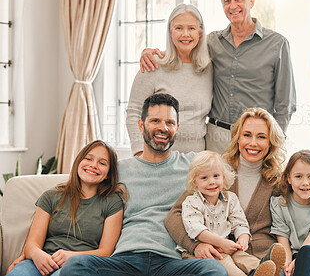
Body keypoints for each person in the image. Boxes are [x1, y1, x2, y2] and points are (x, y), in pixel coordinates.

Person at [59, 93, 227, 276]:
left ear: (177, 128)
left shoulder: (194, 166)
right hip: (124, 261)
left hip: (172, 262)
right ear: (141, 125)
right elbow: (83, 188)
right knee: (75, 265)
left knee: (214, 269)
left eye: (169, 123)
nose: (163, 128)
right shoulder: (118, 170)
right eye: (155, 120)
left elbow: (228, 173)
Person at [165, 108, 310, 276]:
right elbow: (175, 215)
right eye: (247, 135)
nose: (253, 143)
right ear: (237, 138)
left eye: (261, 137)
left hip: (267, 258)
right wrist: (195, 245)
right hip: (225, 255)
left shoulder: (278, 179)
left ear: (270, 142)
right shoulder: (216, 174)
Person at [140, 0, 296, 154]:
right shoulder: (212, 42)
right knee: (215, 182)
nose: (232, 6)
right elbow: (185, 45)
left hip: (257, 138)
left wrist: (275, 142)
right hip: (216, 138)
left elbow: (286, 104)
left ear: (251, 2)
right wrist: (151, 52)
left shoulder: (277, 44)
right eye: (227, 1)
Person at [6, 140, 126, 276]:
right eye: (88, 158)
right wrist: (36, 254)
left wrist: (71, 256)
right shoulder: (51, 196)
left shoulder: (112, 202)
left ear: (109, 174)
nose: (93, 165)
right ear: (79, 162)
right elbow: (32, 243)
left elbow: (106, 252)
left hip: (78, 265)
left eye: (102, 163)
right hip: (42, 261)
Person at [126, 3, 212, 156]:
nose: (185, 34)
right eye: (179, 28)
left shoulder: (208, 68)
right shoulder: (153, 64)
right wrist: (139, 151)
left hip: (196, 160)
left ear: (200, 32)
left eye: (191, 28)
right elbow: (134, 112)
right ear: (170, 32)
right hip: (157, 157)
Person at [181, 150, 276, 276]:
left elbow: (239, 222)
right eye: (204, 178)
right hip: (203, 251)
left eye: (216, 176)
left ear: (223, 177)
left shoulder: (230, 198)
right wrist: (220, 243)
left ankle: (267, 268)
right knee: (230, 266)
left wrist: (243, 238)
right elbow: (196, 229)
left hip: (226, 246)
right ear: (195, 182)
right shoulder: (191, 202)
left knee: (244, 258)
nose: (211, 182)